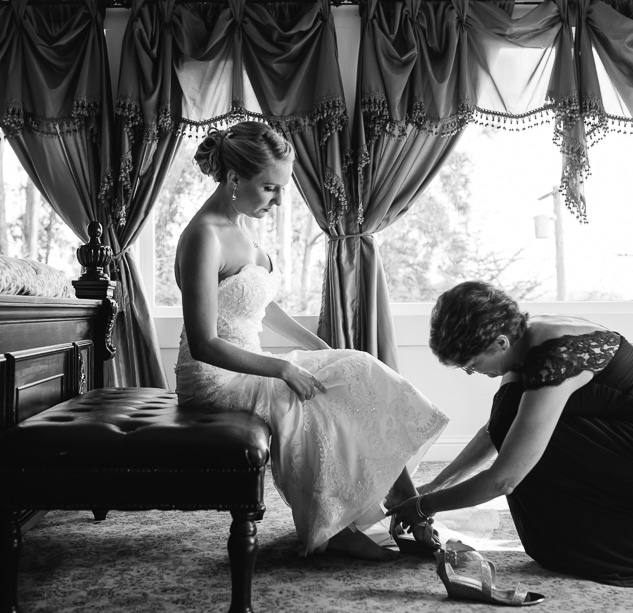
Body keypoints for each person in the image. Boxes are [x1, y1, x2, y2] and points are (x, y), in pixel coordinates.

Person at [173, 121, 449, 561]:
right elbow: (204, 343)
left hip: (249, 361)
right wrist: (284, 367)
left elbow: (258, 303)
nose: (280, 201)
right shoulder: (203, 237)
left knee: (356, 370)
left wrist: (317, 345)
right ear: (233, 179)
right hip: (214, 379)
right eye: (269, 188)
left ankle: (406, 506)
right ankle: (336, 525)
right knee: (323, 399)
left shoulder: (243, 227)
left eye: (282, 188)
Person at [388, 281, 633, 595]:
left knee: (532, 484)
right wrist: (433, 485)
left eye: (471, 363)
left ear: (499, 342)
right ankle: (624, 527)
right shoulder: (526, 340)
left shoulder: (555, 358)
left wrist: (425, 506)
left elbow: (505, 478)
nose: (470, 372)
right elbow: (494, 429)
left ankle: (631, 538)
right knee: (508, 417)